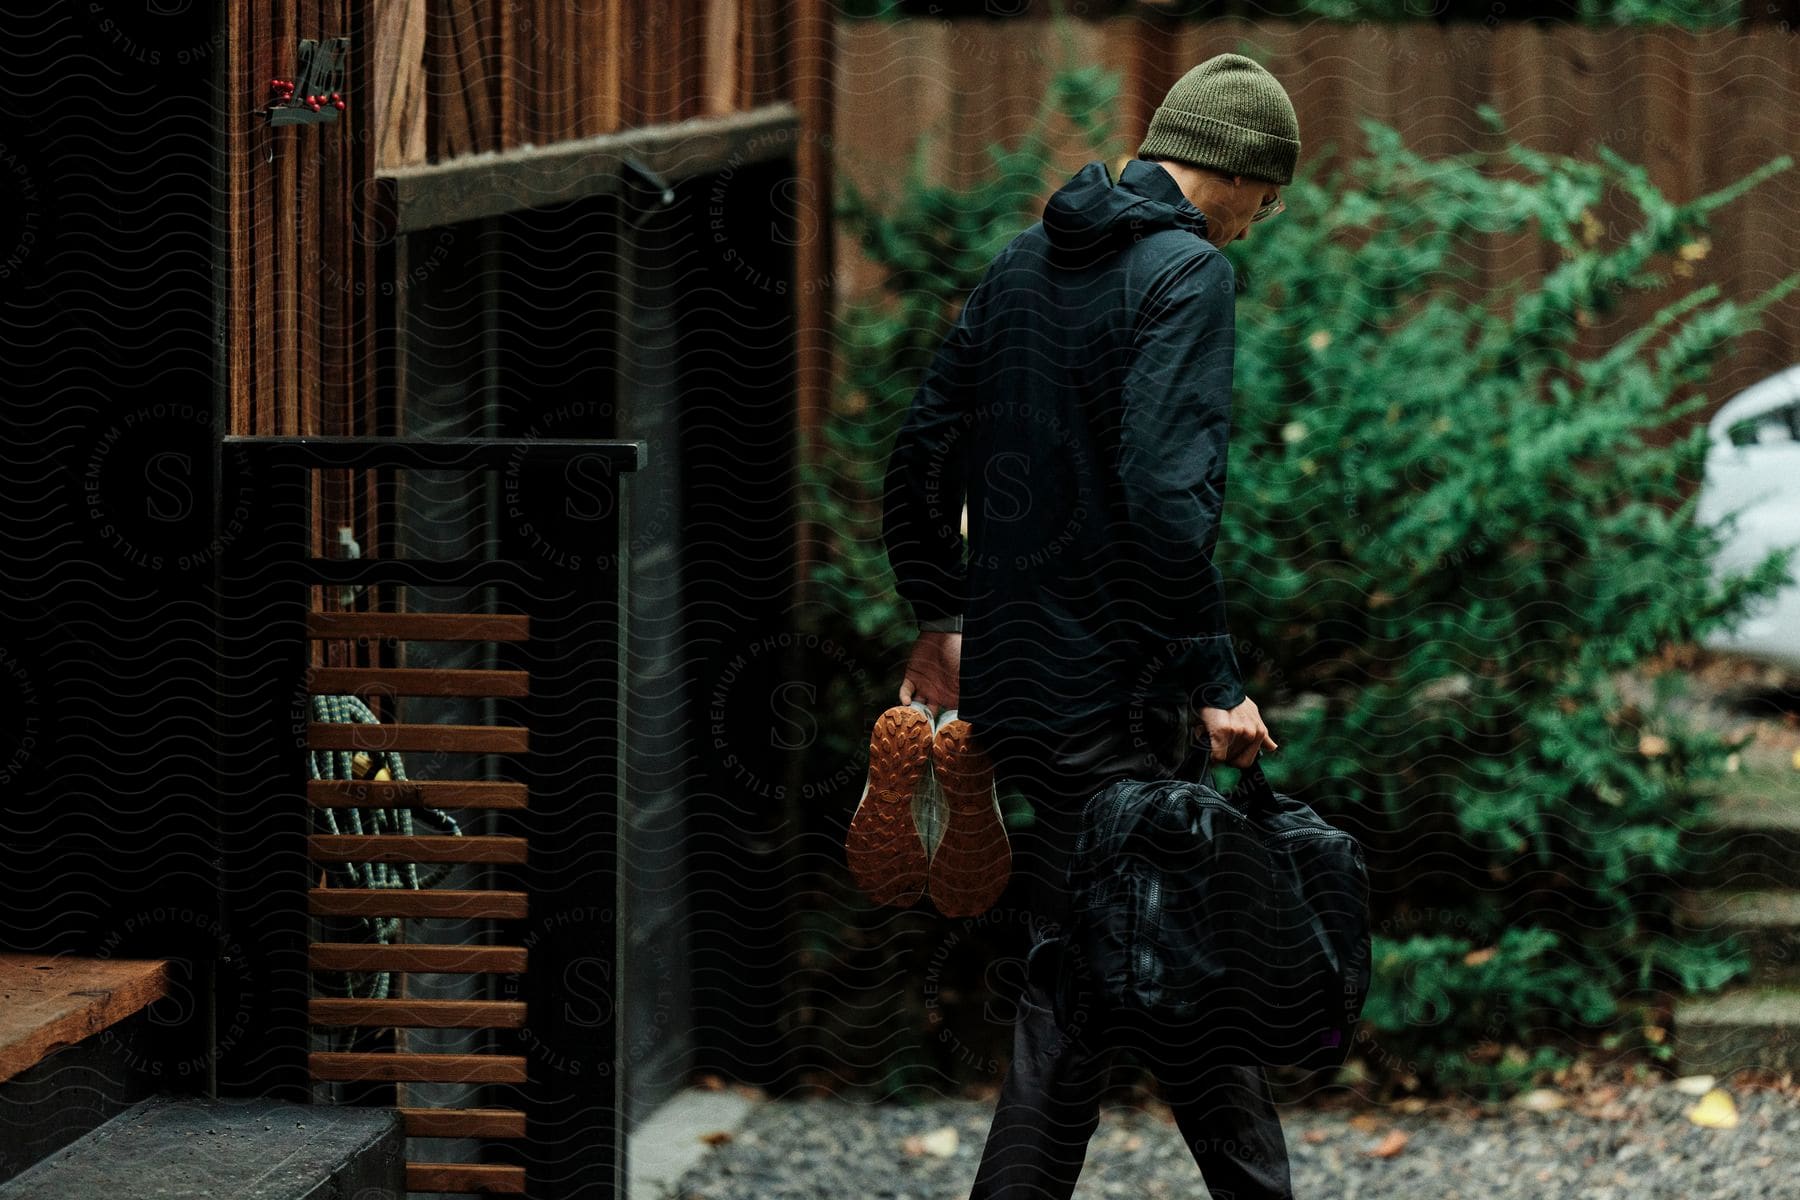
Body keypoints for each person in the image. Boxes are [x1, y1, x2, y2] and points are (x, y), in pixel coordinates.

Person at [879, 53, 1303, 1200]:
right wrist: (1215, 677)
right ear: (1237, 174)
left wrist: (940, 614)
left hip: (1015, 689)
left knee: (1095, 975)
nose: (1264, 221)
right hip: (1117, 697)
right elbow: (1170, 507)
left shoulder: (1023, 266)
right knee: (1168, 977)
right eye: (1270, 196)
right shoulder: (1187, 277)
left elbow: (921, 450)